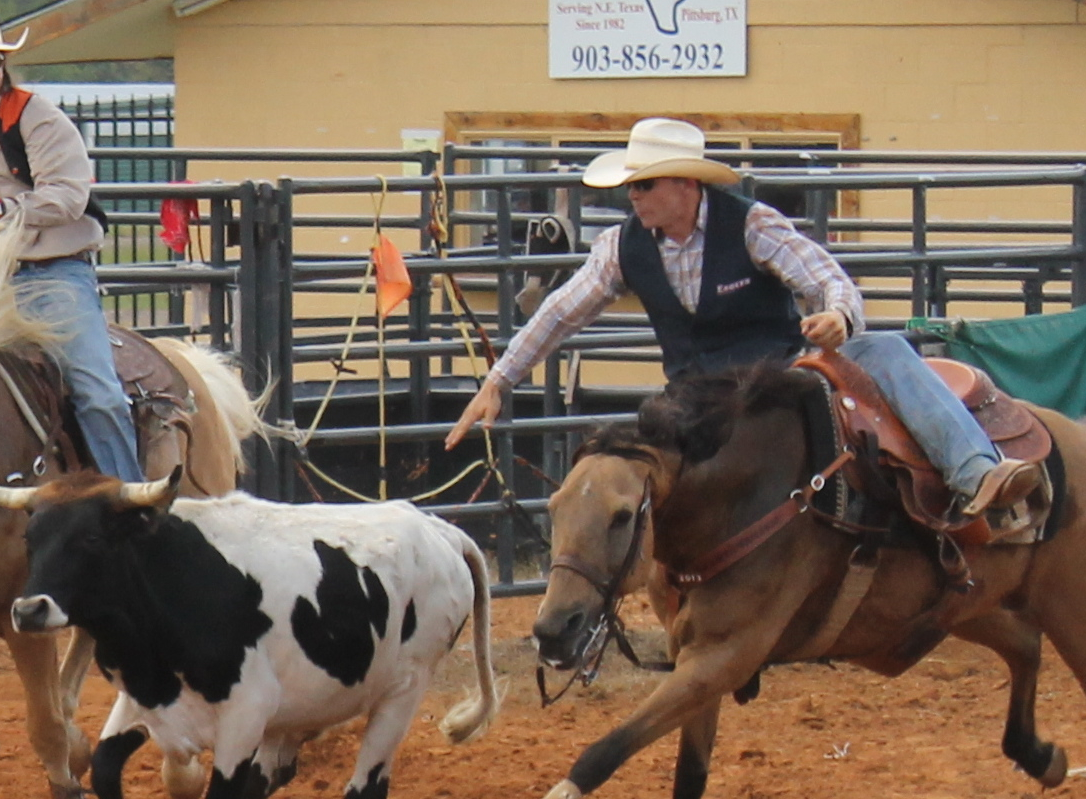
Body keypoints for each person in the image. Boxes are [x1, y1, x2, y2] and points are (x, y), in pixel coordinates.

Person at [445, 117, 1041, 517]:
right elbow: (559, 312)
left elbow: (828, 279)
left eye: (643, 184)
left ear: (683, 185)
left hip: (780, 375)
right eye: (630, 186)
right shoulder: (621, 247)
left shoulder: (752, 223)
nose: (632, 196)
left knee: (883, 350)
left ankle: (977, 472)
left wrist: (838, 317)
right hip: (694, 395)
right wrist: (499, 381)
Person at [0, 1, 143, 482]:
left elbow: (69, 197)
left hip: (53, 271)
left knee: (98, 393)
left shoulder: (38, 119)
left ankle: (131, 502)